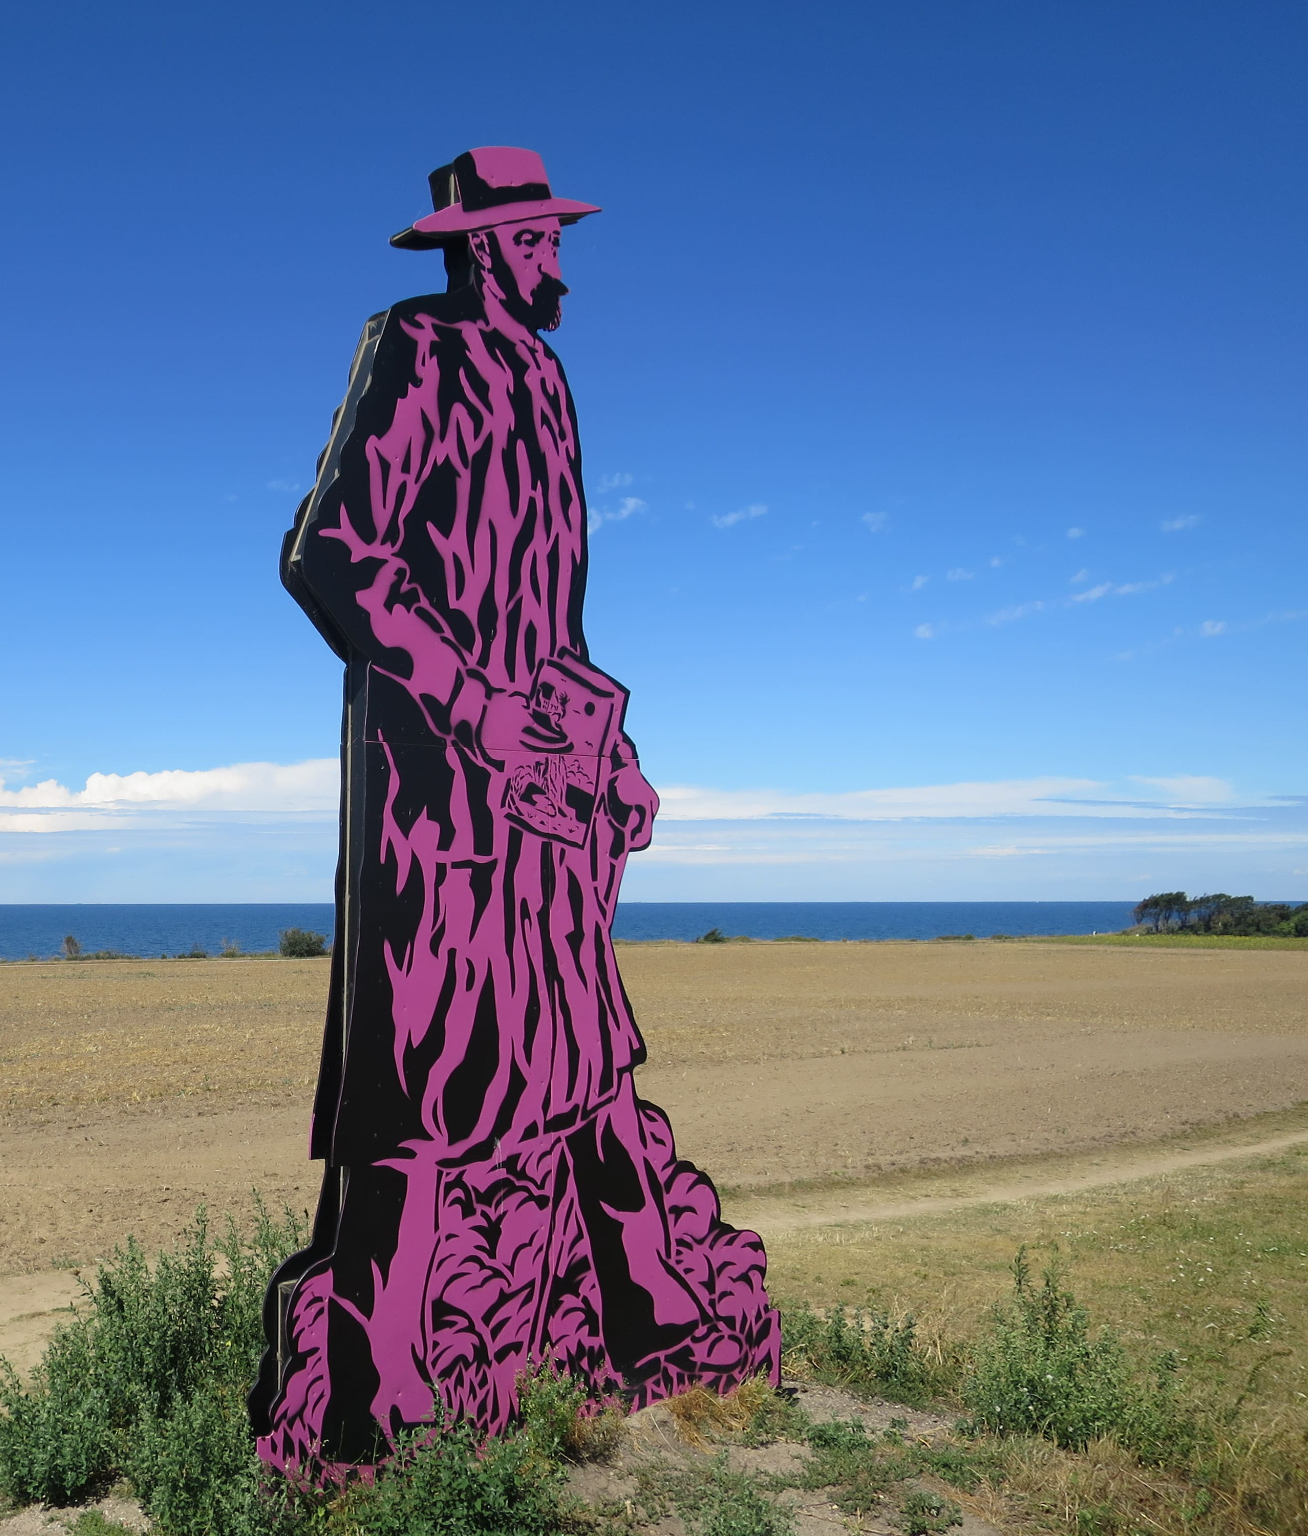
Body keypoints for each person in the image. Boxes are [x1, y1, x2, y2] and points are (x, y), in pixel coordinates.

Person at [251, 148, 780, 1471]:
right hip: (435, 810)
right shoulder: (413, 353)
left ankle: (654, 1330)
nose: (557, 266)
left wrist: (616, 755)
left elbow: (558, 620)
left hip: (549, 801)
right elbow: (332, 556)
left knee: (587, 1054)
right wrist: (471, 704)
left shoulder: (547, 383)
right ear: (483, 247)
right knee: (419, 1091)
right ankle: (375, 1414)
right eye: (538, 242)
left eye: (556, 240)